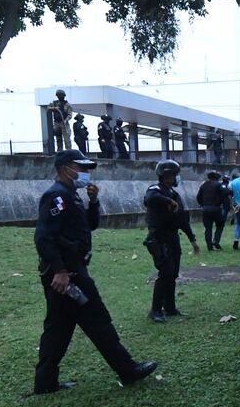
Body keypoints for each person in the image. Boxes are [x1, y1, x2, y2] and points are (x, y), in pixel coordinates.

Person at [33, 149, 158, 394]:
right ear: (65, 168)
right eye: (81, 167)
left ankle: (45, 382)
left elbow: (88, 226)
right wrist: (59, 270)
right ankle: (127, 370)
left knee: (58, 329)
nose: (85, 173)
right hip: (68, 275)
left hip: (71, 271)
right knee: (97, 321)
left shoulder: (72, 195)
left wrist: (93, 202)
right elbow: (43, 237)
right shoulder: (56, 196)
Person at [143, 159, 200, 323]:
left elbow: (182, 218)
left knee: (173, 273)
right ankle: (155, 310)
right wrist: (169, 201)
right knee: (165, 273)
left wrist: (192, 239)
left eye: (175, 175)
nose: (175, 178)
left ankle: (170, 307)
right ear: (164, 176)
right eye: (172, 175)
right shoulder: (155, 189)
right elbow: (150, 198)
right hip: (158, 239)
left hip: (173, 238)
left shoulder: (174, 193)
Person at [196, 170, 228, 250]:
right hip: (216, 208)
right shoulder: (218, 185)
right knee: (220, 225)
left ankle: (209, 246)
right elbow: (224, 193)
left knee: (208, 228)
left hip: (205, 209)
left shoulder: (203, 185)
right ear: (216, 177)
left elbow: (198, 197)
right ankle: (216, 241)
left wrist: (202, 204)